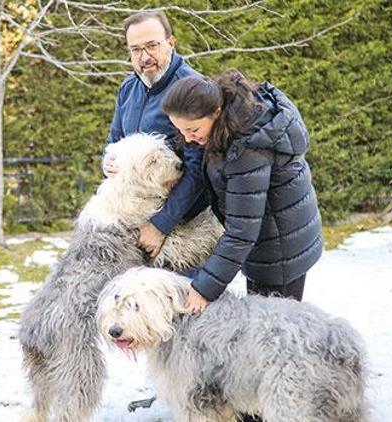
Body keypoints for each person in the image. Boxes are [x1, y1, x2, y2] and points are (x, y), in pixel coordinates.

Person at [162, 70, 323, 422]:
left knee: (274, 344)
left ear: (215, 113)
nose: (188, 139)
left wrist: (204, 288)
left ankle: (274, 408)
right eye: (181, 131)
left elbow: (241, 231)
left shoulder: (247, 147)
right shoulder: (224, 124)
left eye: (193, 130)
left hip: (280, 248)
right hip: (268, 236)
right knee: (259, 338)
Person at [104, 10, 207, 257]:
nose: (145, 57)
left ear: (170, 44)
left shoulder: (191, 89)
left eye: (152, 46)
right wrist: (107, 164)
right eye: (136, 49)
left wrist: (160, 226)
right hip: (137, 221)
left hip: (183, 228)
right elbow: (114, 142)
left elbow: (199, 171)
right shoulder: (128, 88)